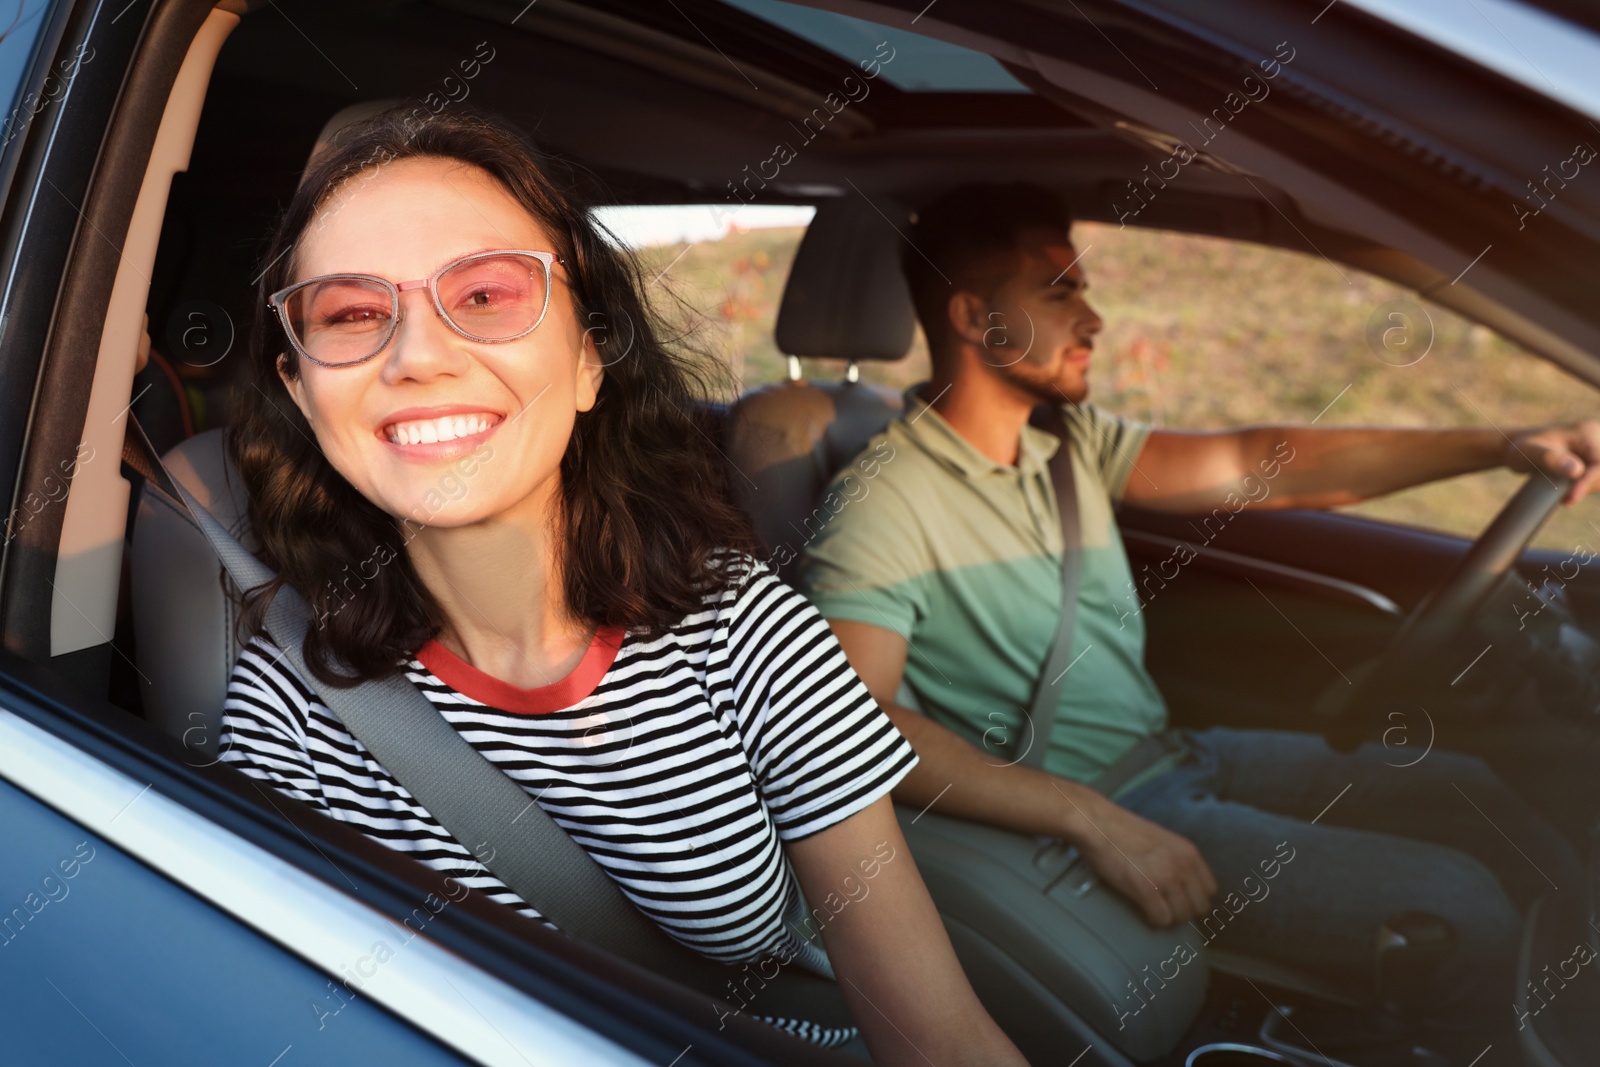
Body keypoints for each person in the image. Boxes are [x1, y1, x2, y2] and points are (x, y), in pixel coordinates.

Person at [216, 108, 1025, 1065]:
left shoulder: (745, 625)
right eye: (350, 314)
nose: (417, 356)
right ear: (302, 389)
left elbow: (936, 1039)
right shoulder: (293, 707)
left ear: (591, 356)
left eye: (484, 295)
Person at [799, 182, 1591, 1018]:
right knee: (1462, 901)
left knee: (1482, 797)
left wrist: (1501, 446)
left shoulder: (1068, 444)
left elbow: (1264, 462)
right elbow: (855, 724)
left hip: (1176, 754)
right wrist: (1088, 816)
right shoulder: (883, 499)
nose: (1093, 319)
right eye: (1059, 290)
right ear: (973, 318)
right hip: (1091, 806)